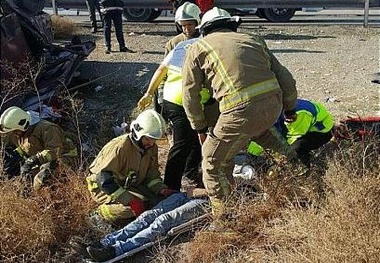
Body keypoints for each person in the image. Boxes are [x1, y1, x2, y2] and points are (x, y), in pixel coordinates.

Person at [181, 7, 303, 230]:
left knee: (211, 161)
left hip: (239, 112)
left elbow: (189, 94)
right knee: (267, 138)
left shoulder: (198, 47)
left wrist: (198, 126)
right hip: (271, 107)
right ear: (231, 24)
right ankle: (305, 185)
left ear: (204, 30)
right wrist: (289, 108)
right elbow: (285, 77)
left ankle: (225, 220)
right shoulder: (253, 39)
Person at [85, 109, 177, 227]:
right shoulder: (120, 147)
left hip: (128, 183)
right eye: (148, 139)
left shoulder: (151, 148)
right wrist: (130, 200)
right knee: (131, 208)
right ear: (138, 134)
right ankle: (98, 214)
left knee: (155, 202)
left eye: (154, 140)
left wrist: (161, 189)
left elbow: (152, 175)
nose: (151, 143)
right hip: (103, 187)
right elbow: (104, 179)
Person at [70, 192, 208, 262]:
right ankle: (103, 243)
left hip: (206, 201)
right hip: (186, 193)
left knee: (162, 221)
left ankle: (115, 250)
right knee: (147, 216)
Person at [0, 106, 78, 190]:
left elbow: (55, 151)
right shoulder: (18, 132)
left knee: (40, 180)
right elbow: (5, 140)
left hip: (63, 155)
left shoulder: (47, 128)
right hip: (39, 159)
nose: (13, 134)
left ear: (22, 126)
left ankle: (44, 199)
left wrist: (33, 160)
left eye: (14, 131)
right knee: (19, 180)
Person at [277, 99, 334, 167]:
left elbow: (293, 137)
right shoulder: (274, 110)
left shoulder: (298, 113)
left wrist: (278, 155)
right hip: (302, 127)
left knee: (297, 148)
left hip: (322, 131)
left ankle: (305, 170)